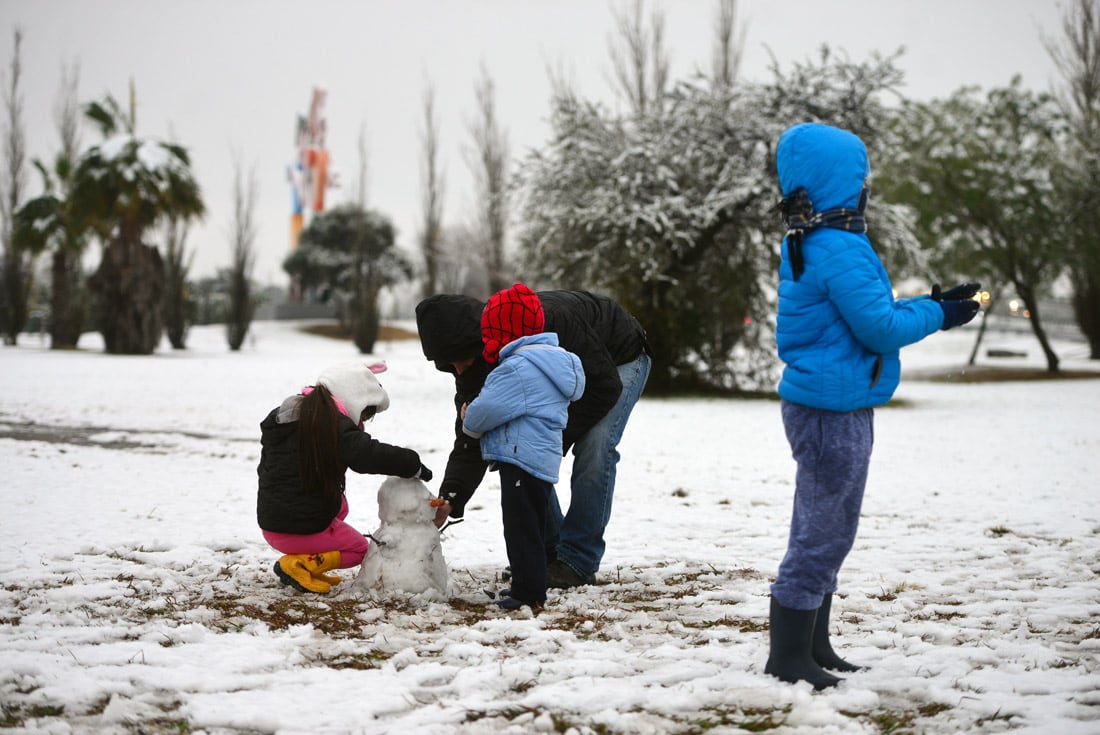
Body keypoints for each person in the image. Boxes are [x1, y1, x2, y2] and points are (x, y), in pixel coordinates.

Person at [767, 121, 981, 689]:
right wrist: (943, 315)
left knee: (825, 523)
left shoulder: (814, 239)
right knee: (825, 529)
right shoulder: (839, 245)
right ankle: (788, 656)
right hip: (831, 410)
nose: (867, 188)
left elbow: (864, 310)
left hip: (831, 403)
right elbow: (880, 327)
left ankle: (813, 644)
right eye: (860, 177)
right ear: (840, 183)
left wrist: (929, 302)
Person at [415, 288, 650, 589]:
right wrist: (451, 496)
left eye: (461, 360)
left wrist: (550, 440)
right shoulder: (471, 359)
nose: (458, 370)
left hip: (619, 358)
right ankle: (546, 553)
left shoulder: (548, 321)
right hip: (571, 372)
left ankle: (578, 560)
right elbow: (473, 433)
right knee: (514, 447)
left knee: (596, 446)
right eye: (448, 364)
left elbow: (605, 387)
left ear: (478, 341)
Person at [256, 361, 432, 594]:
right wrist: (413, 464)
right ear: (352, 398)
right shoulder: (329, 425)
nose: (362, 423)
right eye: (364, 414)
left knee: (340, 507)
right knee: (359, 550)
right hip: (296, 529)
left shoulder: (294, 415)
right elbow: (367, 454)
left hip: (271, 522)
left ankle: (308, 564)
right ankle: (299, 565)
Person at [461, 283, 586, 609]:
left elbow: (482, 416)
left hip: (519, 459)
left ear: (504, 331)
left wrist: (467, 413)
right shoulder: (553, 363)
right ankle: (530, 584)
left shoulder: (516, 369)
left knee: (520, 530)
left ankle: (528, 593)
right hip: (540, 459)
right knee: (532, 526)